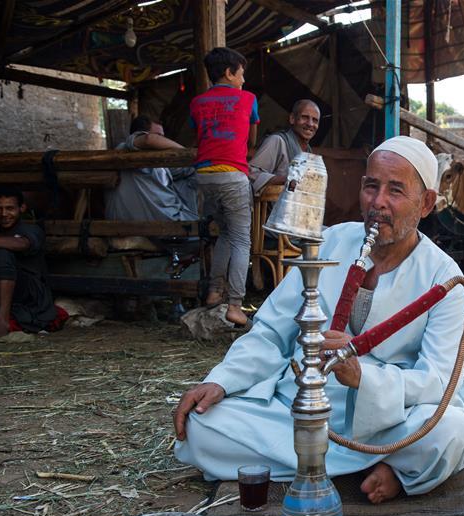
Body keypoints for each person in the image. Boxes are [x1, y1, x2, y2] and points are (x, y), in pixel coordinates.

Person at [173, 136, 464, 505]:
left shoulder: (446, 280)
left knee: (452, 431)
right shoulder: (330, 243)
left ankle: (363, 459)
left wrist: (364, 376)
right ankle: (383, 465)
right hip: (300, 407)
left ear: (426, 203)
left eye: (395, 190)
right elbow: (270, 331)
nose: (377, 202)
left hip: (391, 416)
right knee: (202, 425)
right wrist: (222, 380)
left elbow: (438, 382)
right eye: (371, 186)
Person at [189, 47, 260, 326]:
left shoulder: (197, 103)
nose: (243, 80)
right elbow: (251, 140)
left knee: (226, 235)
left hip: (204, 177)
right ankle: (235, 305)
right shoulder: (248, 99)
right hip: (232, 174)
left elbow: (201, 133)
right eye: (241, 74)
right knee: (243, 239)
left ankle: (213, 292)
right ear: (229, 72)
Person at [0, 187, 57, 339]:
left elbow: (22, 244)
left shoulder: (31, 229)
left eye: (10, 208)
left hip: (30, 294)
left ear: (22, 208)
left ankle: (2, 321)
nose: (4, 214)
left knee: (1, 254)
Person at [104, 116, 199, 222]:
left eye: (163, 137)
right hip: (157, 221)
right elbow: (149, 139)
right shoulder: (126, 148)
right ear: (139, 133)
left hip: (166, 215)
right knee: (204, 230)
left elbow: (183, 171)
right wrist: (186, 152)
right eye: (159, 136)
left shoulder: (158, 163)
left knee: (196, 174)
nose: (162, 140)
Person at [248, 99, 321, 194]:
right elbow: (251, 174)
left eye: (315, 120)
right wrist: (286, 180)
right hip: (273, 208)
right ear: (292, 119)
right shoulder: (277, 141)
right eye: (305, 117)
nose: (310, 124)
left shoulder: (308, 153)